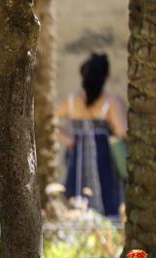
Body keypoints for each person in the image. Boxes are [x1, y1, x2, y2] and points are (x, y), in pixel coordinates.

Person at [55, 53, 126, 219]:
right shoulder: (113, 103)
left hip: (77, 158)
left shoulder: (71, 101)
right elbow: (122, 131)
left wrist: (68, 141)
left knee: (76, 200)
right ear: (106, 76)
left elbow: (46, 120)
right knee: (108, 200)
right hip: (106, 160)